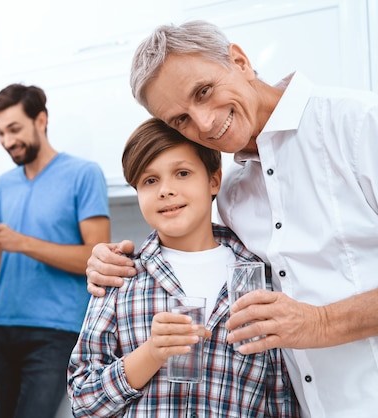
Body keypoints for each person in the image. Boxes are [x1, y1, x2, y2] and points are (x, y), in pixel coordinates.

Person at [85, 20, 378, 418]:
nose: (205, 122)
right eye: (180, 119)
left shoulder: (357, 122)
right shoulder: (233, 194)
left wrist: (319, 323)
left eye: (204, 91)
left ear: (240, 60)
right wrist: (106, 260)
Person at [68, 118, 299, 417]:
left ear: (214, 180)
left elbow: (279, 398)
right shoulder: (119, 278)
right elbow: (82, 401)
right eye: (150, 180)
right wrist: (150, 354)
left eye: (182, 173)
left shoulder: (260, 280)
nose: (165, 190)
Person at [0, 83, 111, 418]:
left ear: (41, 120)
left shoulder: (83, 174)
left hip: (56, 332)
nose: (7, 141)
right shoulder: (5, 185)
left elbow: (97, 257)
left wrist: (20, 242)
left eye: (14, 129)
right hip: (3, 329)